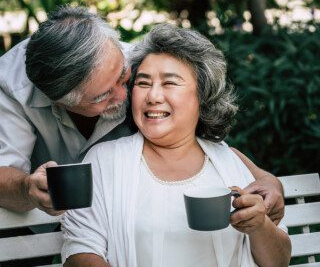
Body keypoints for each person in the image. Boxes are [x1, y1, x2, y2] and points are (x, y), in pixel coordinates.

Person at [0, 6, 283, 220]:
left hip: (124, 214)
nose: (126, 96)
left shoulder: (136, 62)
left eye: (124, 78)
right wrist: (28, 188)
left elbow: (192, 139)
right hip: (28, 221)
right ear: (60, 102)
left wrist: (263, 177)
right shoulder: (13, 85)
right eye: (102, 96)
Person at [61, 24, 291, 267]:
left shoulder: (227, 162)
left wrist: (259, 226)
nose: (153, 96)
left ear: (202, 95)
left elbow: (279, 262)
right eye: (143, 83)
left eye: (169, 83)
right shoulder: (104, 161)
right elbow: (80, 251)